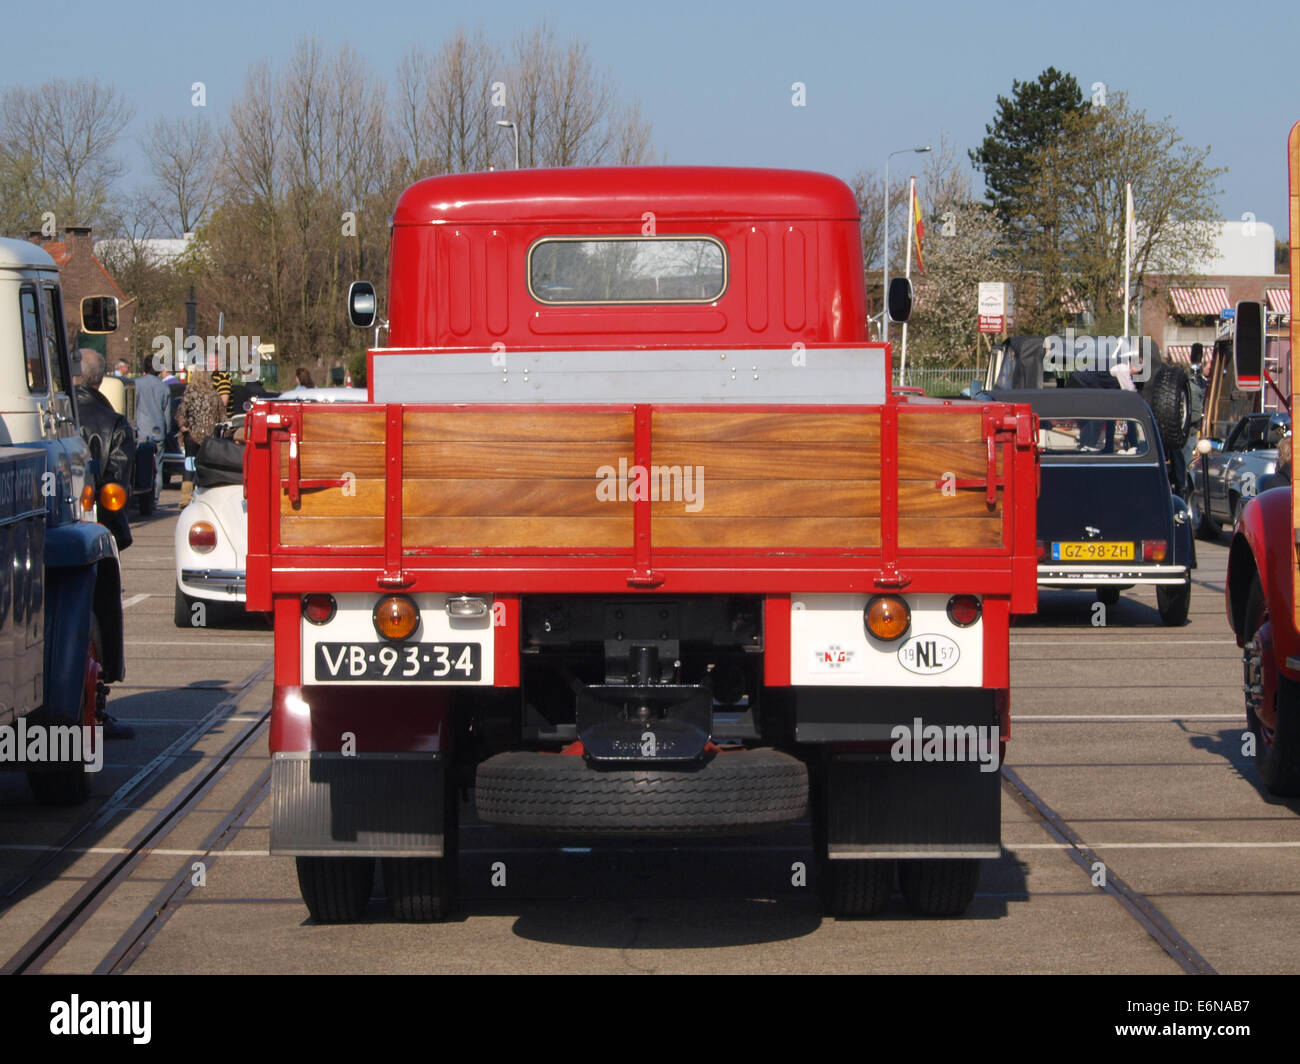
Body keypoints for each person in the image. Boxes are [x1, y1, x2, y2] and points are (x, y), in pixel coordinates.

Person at [74, 350, 136, 740]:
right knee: (103, 616)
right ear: (100, 381)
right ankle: (99, 701)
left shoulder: (53, 417)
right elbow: (118, 486)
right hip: (94, 531)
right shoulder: (113, 423)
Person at [176, 370, 226, 506]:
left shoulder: (189, 393)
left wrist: (183, 426)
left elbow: (181, 412)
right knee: (206, 465)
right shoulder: (214, 394)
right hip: (209, 437)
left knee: (189, 464)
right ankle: (206, 496)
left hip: (191, 436)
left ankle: (186, 497)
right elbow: (222, 416)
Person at [134, 358, 172, 502]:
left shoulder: (137, 384)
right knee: (158, 466)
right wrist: (166, 430)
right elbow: (167, 413)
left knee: (142, 465)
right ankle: (155, 498)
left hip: (142, 430)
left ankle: (143, 496)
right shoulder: (164, 387)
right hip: (159, 430)